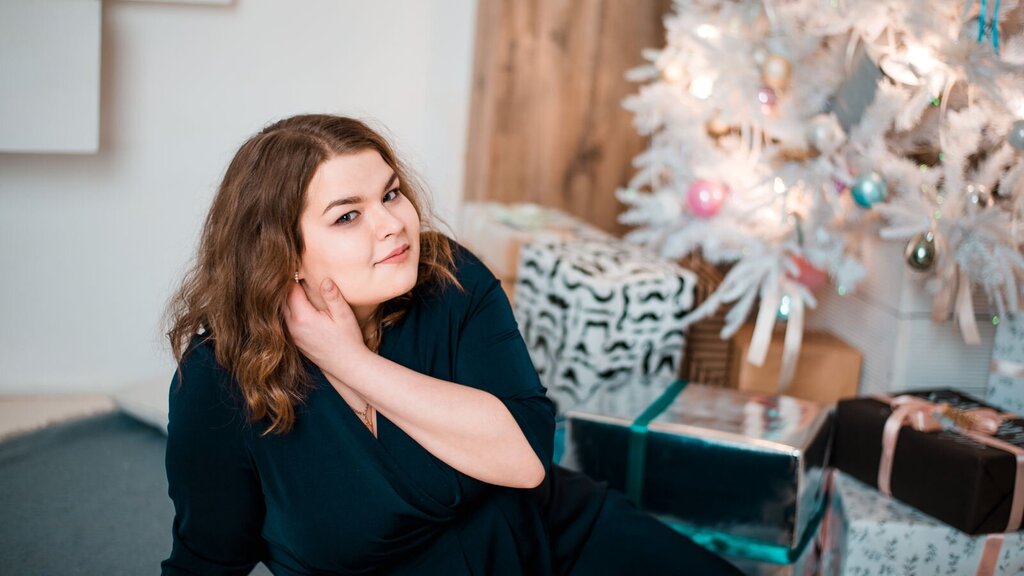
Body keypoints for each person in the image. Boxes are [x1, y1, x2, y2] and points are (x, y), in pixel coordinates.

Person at [161, 114, 742, 575]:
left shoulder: (449, 277)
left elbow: (525, 461)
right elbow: (208, 559)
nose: (393, 224)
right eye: (348, 217)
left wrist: (349, 361)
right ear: (281, 253)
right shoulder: (217, 382)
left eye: (391, 194)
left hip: (551, 540)